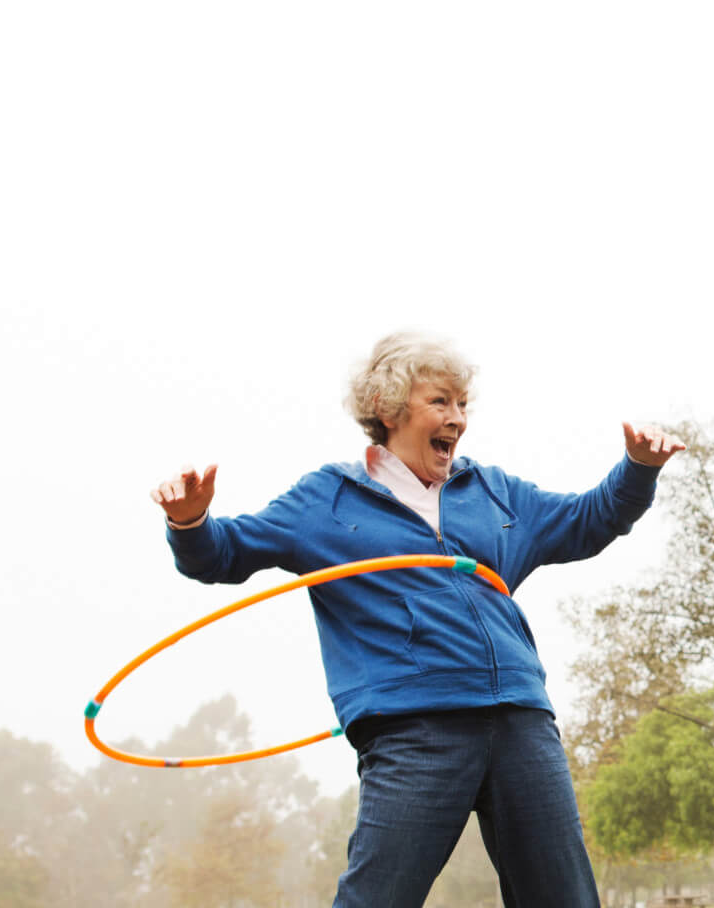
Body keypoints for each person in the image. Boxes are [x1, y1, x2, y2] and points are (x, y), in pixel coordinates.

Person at [150, 331, 683, 907]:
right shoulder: (325, 501)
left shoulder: (493, 492)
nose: (457, 418)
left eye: (461, 405)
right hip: (413, 729)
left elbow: (588, 520)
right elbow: (223, 554)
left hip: (520, 721)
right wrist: (190, 522)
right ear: (388, 408)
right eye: (440, 403)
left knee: (565, 899)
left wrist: (637, 469)